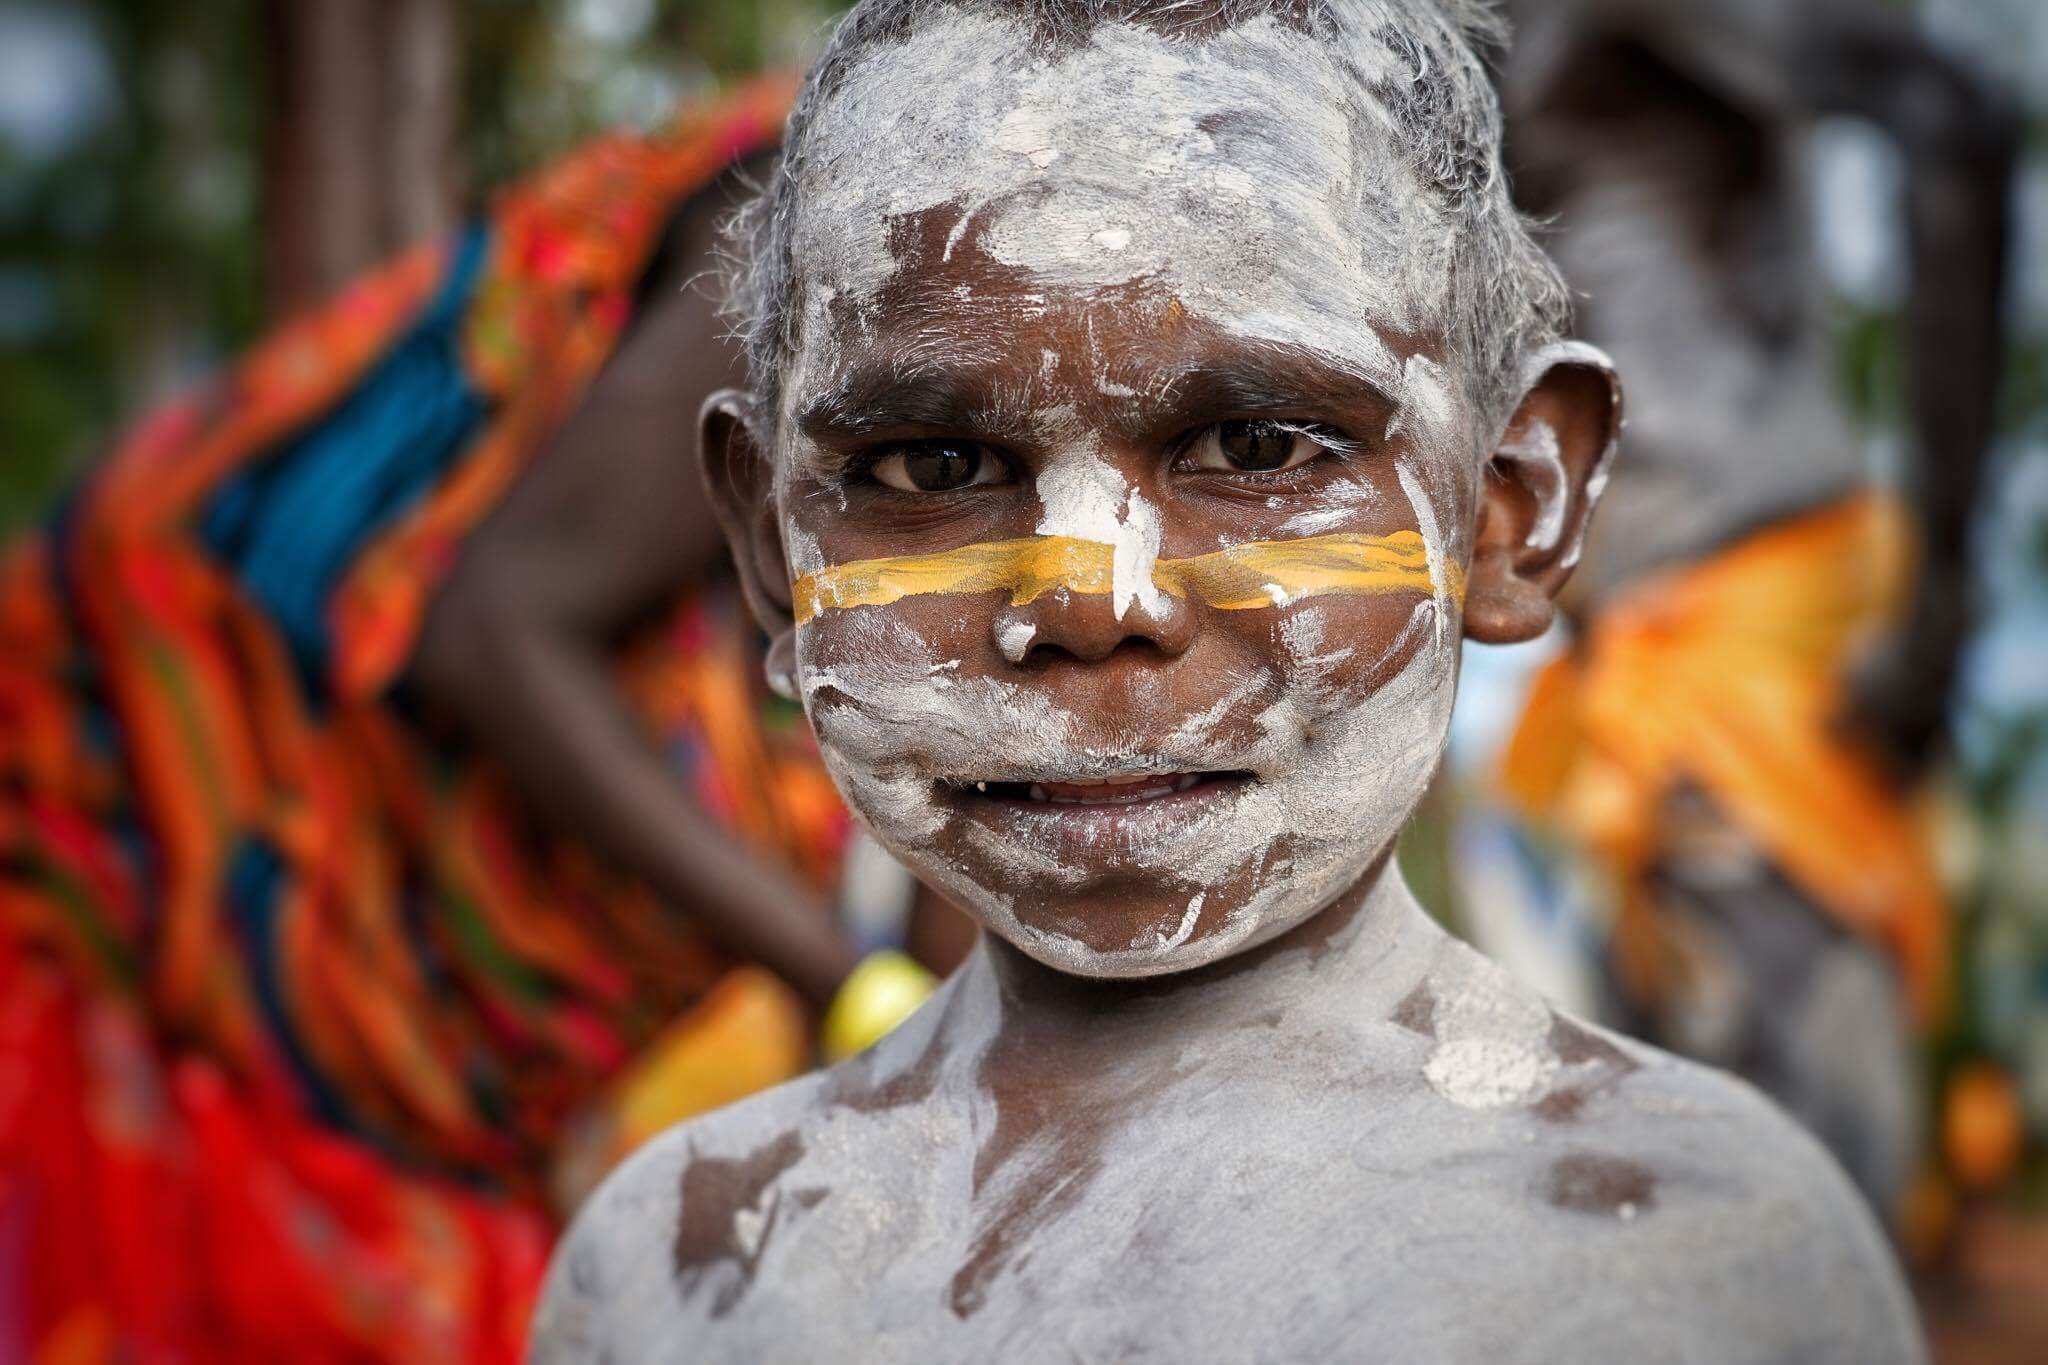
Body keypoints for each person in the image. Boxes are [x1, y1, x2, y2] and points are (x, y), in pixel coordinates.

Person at [532, 2, 1923, 1358]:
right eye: (931, 467)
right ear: (772, 546)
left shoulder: (1696, 1257)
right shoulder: (680, 1271)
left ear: (1513, 508)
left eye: (1256, 448)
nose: (1088, 602)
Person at [0, 77, 931, 1362]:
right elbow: (494, 627)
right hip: (168, 838)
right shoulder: (834, 217)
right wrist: (862, 994)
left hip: (393, 1058)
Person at [1485, 0, 2019, 1215]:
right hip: (1619, 678)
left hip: (1754, 666)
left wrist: (1940, 597)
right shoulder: (1461, 50)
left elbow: (1955, 117)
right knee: (1660, 1229)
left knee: (1792, 1223)